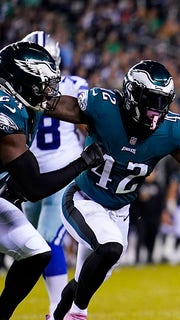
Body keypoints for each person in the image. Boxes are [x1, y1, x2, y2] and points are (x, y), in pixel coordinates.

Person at [42, 59, 180, 320]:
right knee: (110, 248)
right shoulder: (104, 107)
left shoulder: (171, 130)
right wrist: (29, 99)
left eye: (164, 101)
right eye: (151, 99)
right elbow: (57, 106)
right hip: (84, 198)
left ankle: (55, 317)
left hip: (120, 211)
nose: (157, 109)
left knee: (86, 278)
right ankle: (78, 315)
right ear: (132, 95)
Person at [0, 41, 105, 320]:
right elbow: (34, 187)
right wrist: (83, 162)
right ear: (21, 80)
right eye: (41, 83)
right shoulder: (4, 112)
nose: (48, 91)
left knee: (38, 251)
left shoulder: (19, 104)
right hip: (30, 184)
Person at [19, 30, 90, 319]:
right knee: (29, 247)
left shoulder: (16, 90)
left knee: (47, 241)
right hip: (33, 177)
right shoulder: (75, 86)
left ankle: (58, 311)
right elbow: (88, 129)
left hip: (57, 176)